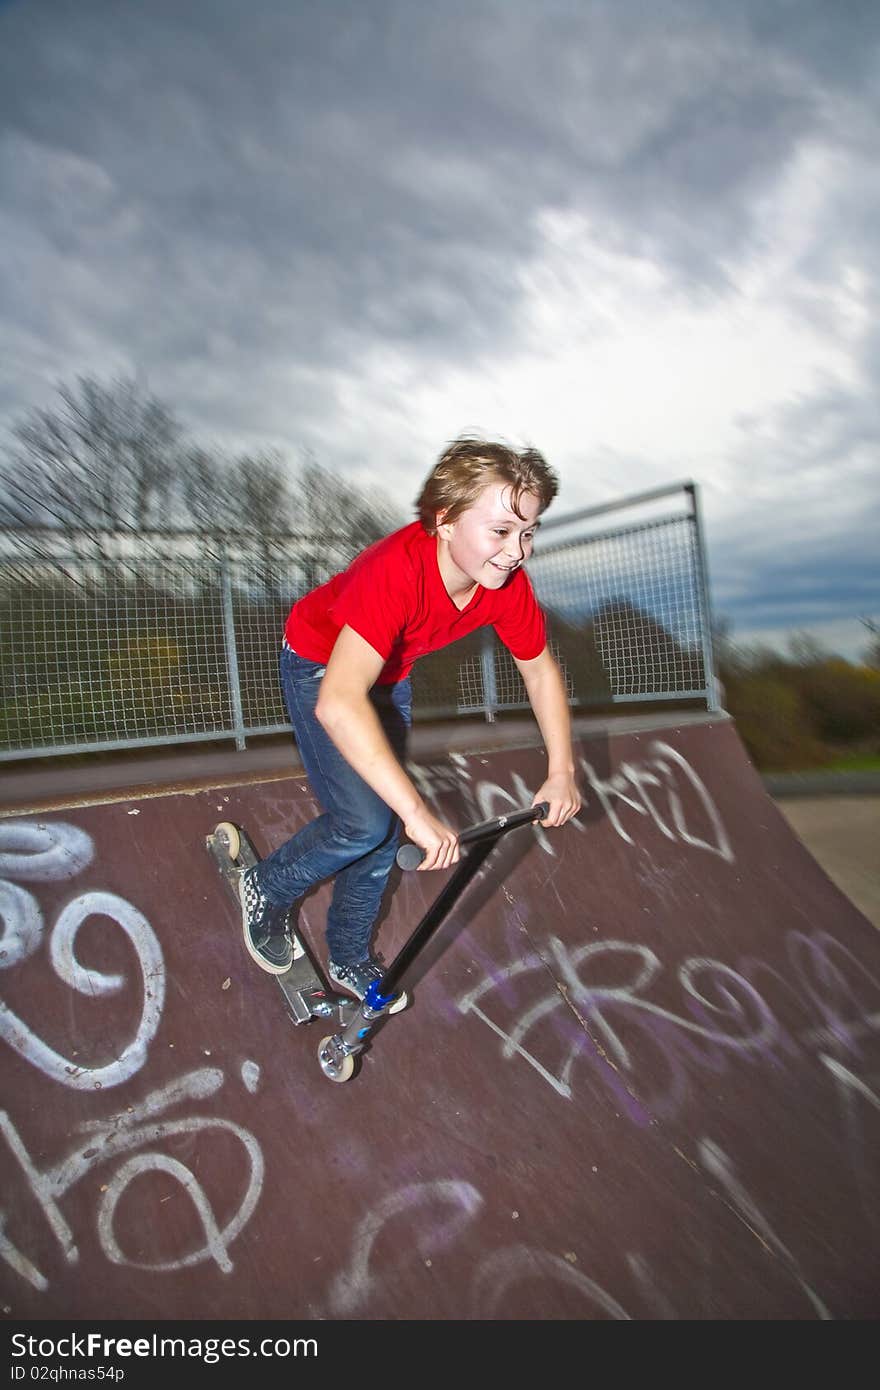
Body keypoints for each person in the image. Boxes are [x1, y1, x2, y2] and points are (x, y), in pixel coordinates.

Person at [239, 436, 581, 1002]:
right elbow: (338, 702)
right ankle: (266, 888)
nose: (516, 551)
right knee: (366, 822)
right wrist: (418, 810)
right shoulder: (394, 572)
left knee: (387, 825)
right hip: (319, 668)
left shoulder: (508, 587)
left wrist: (562, 770)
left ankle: (348, 954)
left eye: (528, 532)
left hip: (388, 678)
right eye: (500, 531)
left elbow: (540, 672)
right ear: (444, 521)